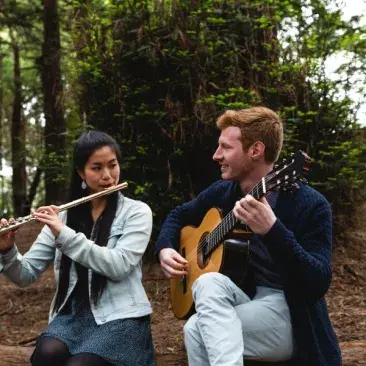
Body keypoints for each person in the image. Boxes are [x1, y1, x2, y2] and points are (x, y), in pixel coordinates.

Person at [155, 106, 341, 366]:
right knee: (206, 283)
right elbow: (178, 216)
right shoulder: (223, 191)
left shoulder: (310, 204)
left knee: (195, 329)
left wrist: (272, 231)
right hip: (248, 300)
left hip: (291, 314)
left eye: (225, 147)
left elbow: (318, 281)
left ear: (255, 151)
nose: (216, 155)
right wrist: (165, 248)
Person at [0, 131, 156, 366]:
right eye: (97, 168)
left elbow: (119, 266)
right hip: (72, 316)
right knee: (46, 354)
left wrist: (64, 234)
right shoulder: (62, 216)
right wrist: (7, 250)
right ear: (81, 173)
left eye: (112, 166)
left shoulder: (137, 212)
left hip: (120, 318)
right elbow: (25, 274)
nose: (108, 176)